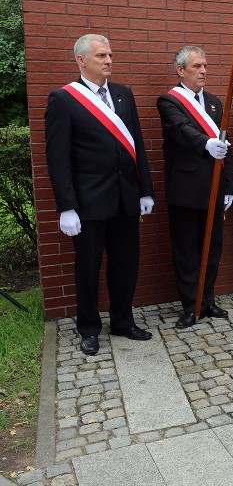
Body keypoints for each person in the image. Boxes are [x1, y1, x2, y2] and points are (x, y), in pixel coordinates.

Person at [45, 34, 155, 355]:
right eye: (101, 56)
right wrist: (66, 207)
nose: (109, 60)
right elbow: (58, 158)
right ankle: (89, 327)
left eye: (110, 55)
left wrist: (144, 190)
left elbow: (137, 146)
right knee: (88, 267)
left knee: (125, 264)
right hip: (88, 203)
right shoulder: (64, 100)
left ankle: (122, 320)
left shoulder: (123, 94)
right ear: (81, 60)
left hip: (125, 199)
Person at [156, 46, 233, 329]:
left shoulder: (214, 102)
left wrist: (230, 186)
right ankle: (191, 305)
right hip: (186, 190)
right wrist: (205, 144)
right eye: (196, 66)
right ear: (180, 70)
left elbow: (226, 147)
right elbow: (181, 131)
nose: (203, 71)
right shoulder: (169, 101)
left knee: (212, 247)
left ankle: (208, 299)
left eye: (205, 65)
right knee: (187, 250)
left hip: (213, 188)